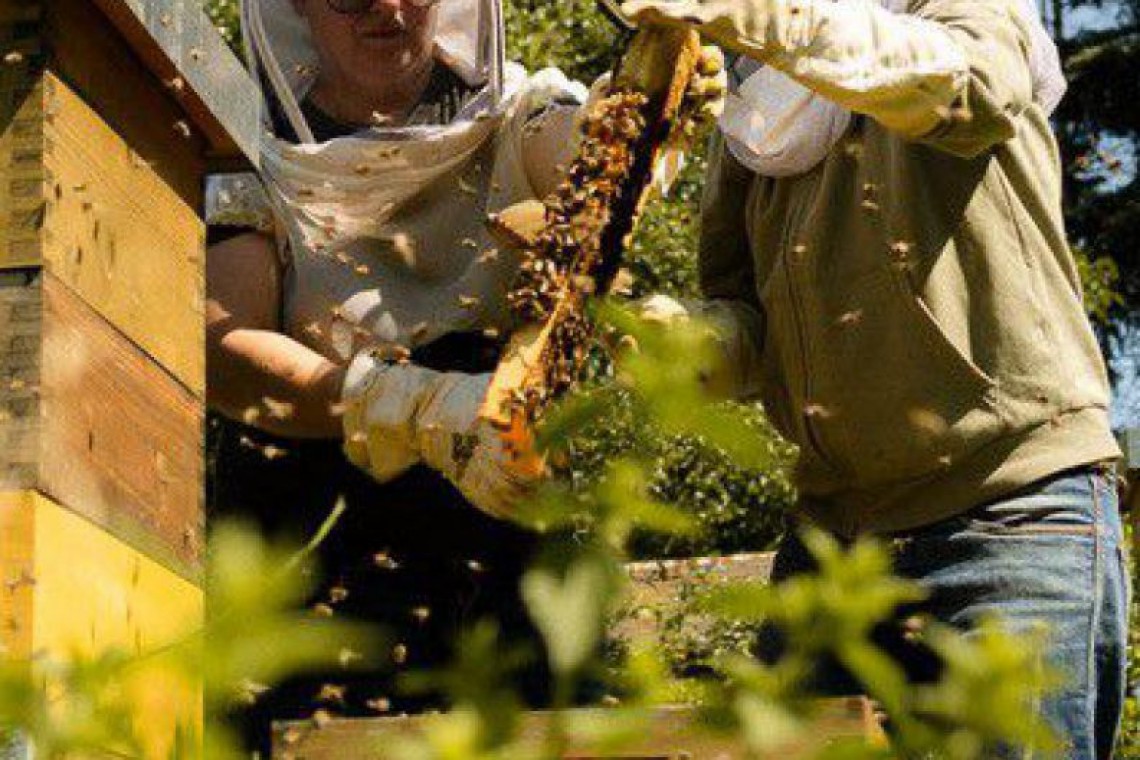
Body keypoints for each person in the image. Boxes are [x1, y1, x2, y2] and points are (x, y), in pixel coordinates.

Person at [620, 0, 1131, 757]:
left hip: (1010, 517)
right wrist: (696, 341)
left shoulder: (949, 12)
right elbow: (750, 310)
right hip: (835, 543)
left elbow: (977, 88)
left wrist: (767, 20)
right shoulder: (755, 105)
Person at [204, 0, 600, 751]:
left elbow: (579, 152)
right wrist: (397, 403)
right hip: (316, 536)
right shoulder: (246, 140)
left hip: (505, 523)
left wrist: (628, 116)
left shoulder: (519, 108)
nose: (384, 8)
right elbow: (226, 348)